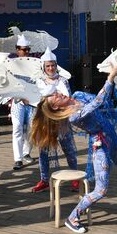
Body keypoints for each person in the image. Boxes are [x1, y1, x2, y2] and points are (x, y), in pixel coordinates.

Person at [31, 61, 117, 234]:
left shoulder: (77, 95)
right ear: (56, 107)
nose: (60, 94)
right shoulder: (73, 117)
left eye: (58, 93)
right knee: (101, 189)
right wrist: (110, 77)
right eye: (56, 97)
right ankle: (72, 217)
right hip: (100, 145)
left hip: (112, 137)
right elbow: (98, 101)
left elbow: (99, 102)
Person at [32, 47, 78, 193]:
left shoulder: (63, 81)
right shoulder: (39, 82)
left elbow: (69, 98)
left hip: (62, 121)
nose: (50, 68)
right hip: (46, 123)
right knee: (43, 152)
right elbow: (37, 101)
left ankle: (75, 178)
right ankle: (44, 179)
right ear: (43, 67)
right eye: (48, 66)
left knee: (69, 150)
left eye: (52, 65)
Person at [9, 34, 36, 170]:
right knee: (17, 128)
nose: (25, 52)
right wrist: (20, 97)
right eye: (22, 49)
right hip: (17, 101)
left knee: (31, 129)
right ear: (17, 50)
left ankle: (26, 152)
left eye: (27, 49)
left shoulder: (34, 64)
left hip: (32, 102)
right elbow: (8, 84)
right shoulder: (11, 65)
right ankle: (18, 158)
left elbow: (37, 82)